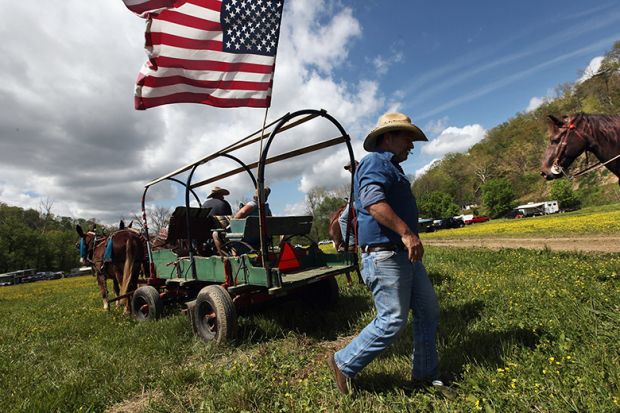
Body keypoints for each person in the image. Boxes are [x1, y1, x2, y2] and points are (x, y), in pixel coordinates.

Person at [327, 112, 442, 394]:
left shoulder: (391, 167)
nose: (411, 146)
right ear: (388, 137)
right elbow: (373, 202)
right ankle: (344, 362)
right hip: (386, 256)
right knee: (392, 319)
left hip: (403, 256)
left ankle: (425, 373)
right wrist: (407, 233)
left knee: (428, 311)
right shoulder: (375, 162)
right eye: (407, 138)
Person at [337, 160, 359, 250]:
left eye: (350, 167)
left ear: (356, 165)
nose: (349, 169)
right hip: (359, 200)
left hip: (359, 202)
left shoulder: (358, 174)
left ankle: (350, 243)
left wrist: (350, 200)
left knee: (342, 219)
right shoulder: (359, 174)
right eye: (348, 168)